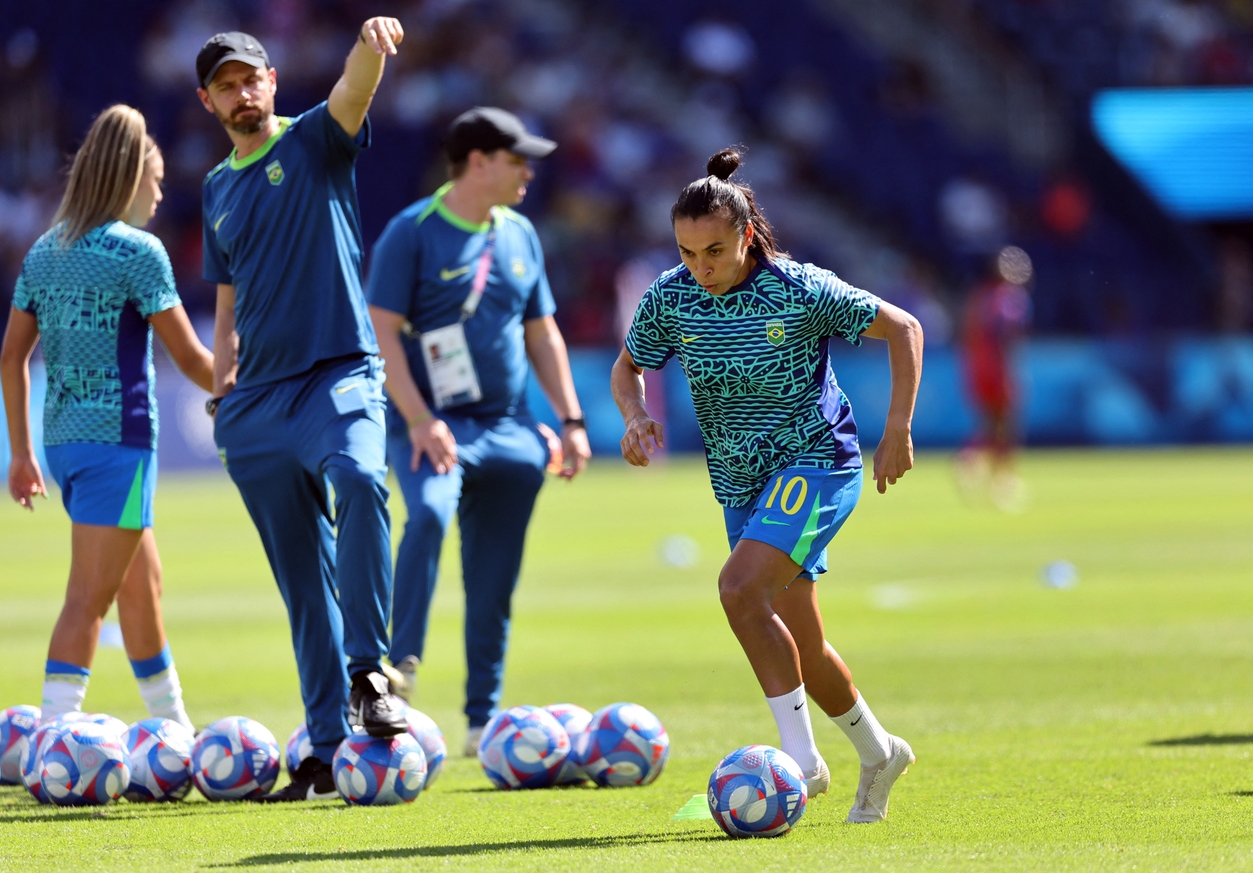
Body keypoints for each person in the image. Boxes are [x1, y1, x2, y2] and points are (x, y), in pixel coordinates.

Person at [611, 149, 924, 823]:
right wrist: (636, 415)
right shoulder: (671, 297)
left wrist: (896, 429)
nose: (702, 267)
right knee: (797, 638)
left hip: (816, 460)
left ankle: (801, 764)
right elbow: (628, 366)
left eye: (715, 251)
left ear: (747, 235)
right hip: (741, 482)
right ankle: (879, 752)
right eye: (689, 253)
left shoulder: (799, 289)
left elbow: (904, 327)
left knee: (737, 588)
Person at [196, 20, 407, 801]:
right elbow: (227, 298)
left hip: (338, 372)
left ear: (273, 81)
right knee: (301, 582)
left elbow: (355, 92)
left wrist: (369, 44)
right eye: (227, 84)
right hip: (255, 405)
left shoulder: (313, 140)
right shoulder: (218, 186)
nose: (243, 93)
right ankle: (322, 753)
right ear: (208, 99)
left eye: (252, 79)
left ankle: (370, 674)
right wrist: (222, 388)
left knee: (359, 477)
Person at [367, 107, 591, 756]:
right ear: (478, 162)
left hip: (508, 428)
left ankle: (479, 723)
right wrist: (417, 418)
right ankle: (396, 673)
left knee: (494, 581)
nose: (529, 171)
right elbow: (381, 335)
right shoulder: (410, 234)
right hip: (431, 426)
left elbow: (541, 332)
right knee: (430, 517)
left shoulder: (521, 234)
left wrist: (570, 420)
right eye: (517, 159)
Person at [0, 105, 212, 732]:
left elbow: (11, 359)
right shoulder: (139, 252)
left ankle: (175, 731)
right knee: (88, 601)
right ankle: (54, 739)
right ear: (131, 176)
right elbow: (192, 360)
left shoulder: (45, 250)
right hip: (118, 444)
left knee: (142, 594)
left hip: (65, 446)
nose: (160, 191)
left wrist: (21, 453)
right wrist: (256, 379)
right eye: (157, 178)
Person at [957, 245, 1032, 511]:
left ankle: (971, 461)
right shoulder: (1010, 298)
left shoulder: (979, 297)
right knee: (1005, 426)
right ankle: (1002, 481)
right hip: (998, 368)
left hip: (977, 367)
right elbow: (1005, 335)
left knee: (989, 423)